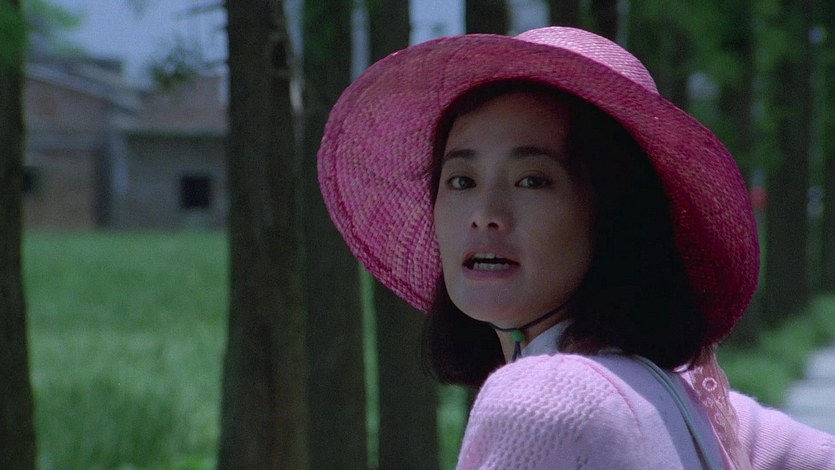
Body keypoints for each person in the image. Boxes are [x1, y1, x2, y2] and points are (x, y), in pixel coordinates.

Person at [317, 26, 835, 469]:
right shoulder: (697, 405)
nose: (484, 213)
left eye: (532, 180)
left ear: (612, 212)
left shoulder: (544, 402)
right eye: (461, 180)